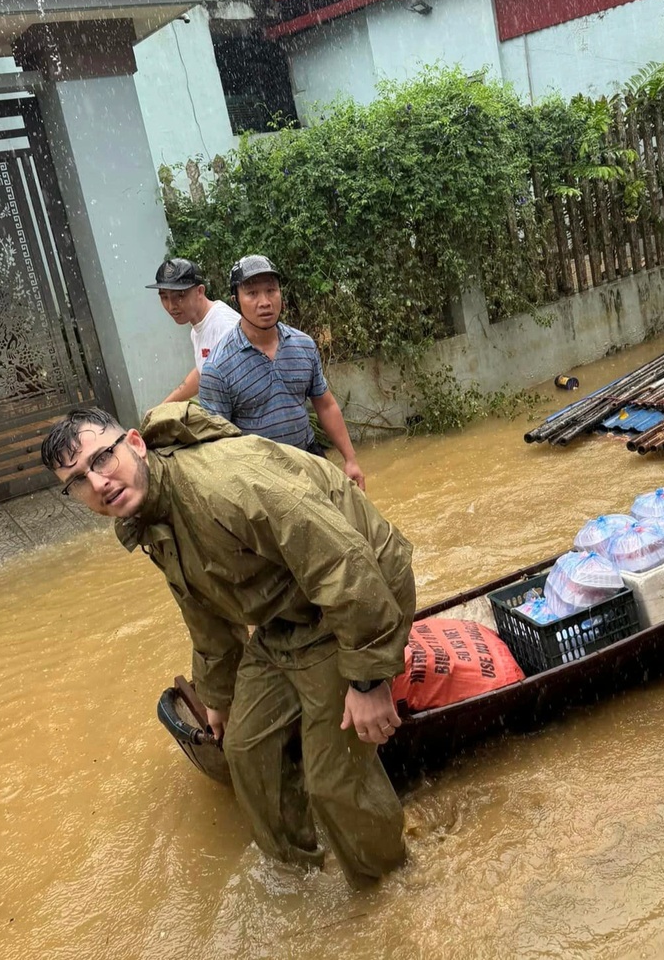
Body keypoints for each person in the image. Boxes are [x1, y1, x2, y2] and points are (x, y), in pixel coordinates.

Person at [39, 402, 415, 887]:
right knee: (245, 748)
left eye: (101, 459)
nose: (97, 483)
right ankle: (296, 876)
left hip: (356, 600)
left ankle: (389, 887)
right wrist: (218, 696)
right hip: (284, 616)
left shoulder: (223, 486)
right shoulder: (146, 513)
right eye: (77, 481)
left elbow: (344, 561)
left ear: (135, 443)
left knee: (333, 779)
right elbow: (203, 607)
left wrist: (368, 679)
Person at [198, 254, 367, 489]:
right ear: (235, 300)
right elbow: (217, 446)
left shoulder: (304, 345)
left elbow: (325, 404)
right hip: (262, 478)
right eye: (252, 293)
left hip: (310, 458)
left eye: (271, 290)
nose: (265, 302)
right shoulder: (218, 367)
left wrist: (350, 459)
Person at [148, 257, 240, 404]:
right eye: (164, 297)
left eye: (180, 296)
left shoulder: (225, 327)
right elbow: (201, 373)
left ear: (200, 291)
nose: (171, 306)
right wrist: (163, 407)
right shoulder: (197, 327)